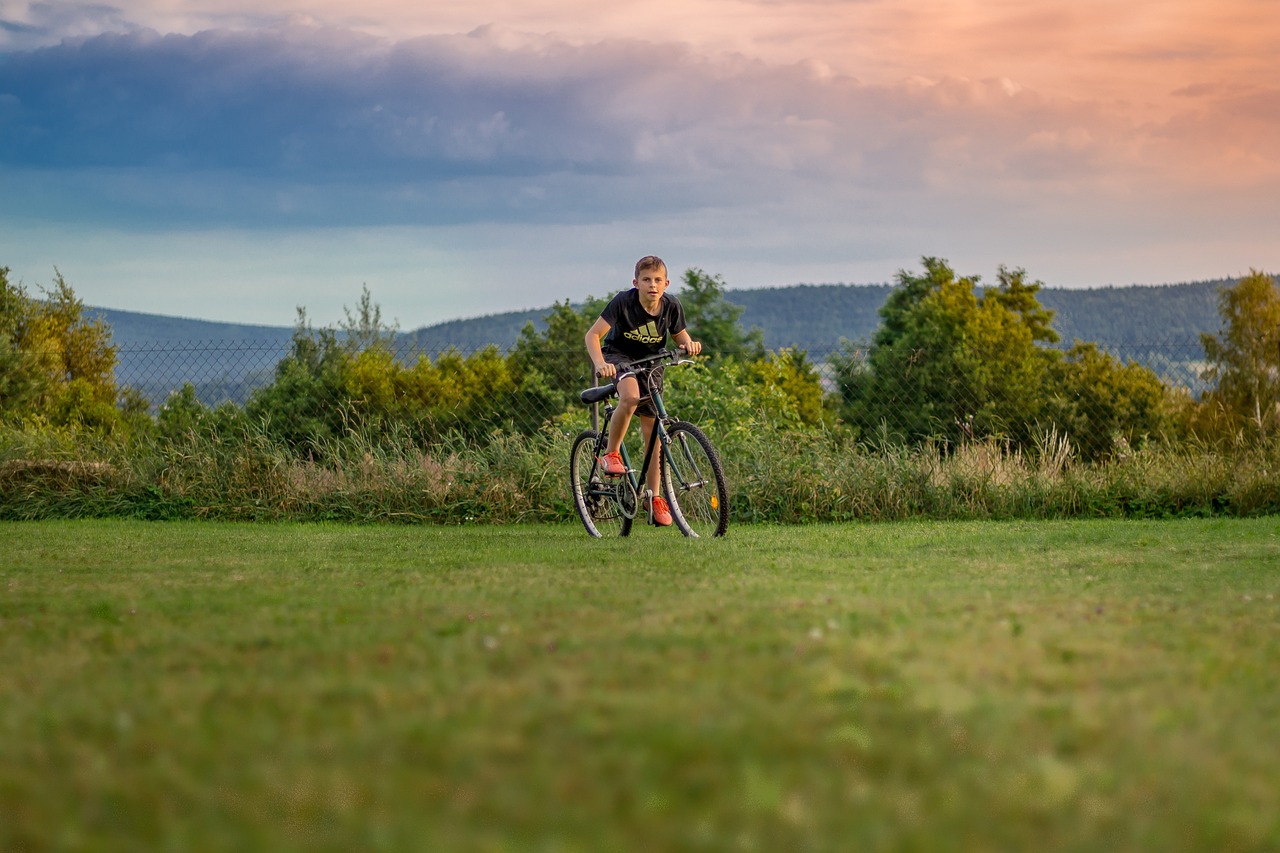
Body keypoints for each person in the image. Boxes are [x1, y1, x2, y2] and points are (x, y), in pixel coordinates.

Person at [584, 255, 702, 527]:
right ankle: (611, 454)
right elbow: (592, 335)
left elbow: (679, 336)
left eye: (658, 280)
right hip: (619, 358)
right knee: (631, 396)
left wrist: (690, 344)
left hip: (651, 362)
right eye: (646, 280)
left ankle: (654, 496)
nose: (652, 285)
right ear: (635, 283)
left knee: (655, 433)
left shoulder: (671, 306)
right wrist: (601, 363)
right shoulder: (623, 302)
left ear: (666, 283)